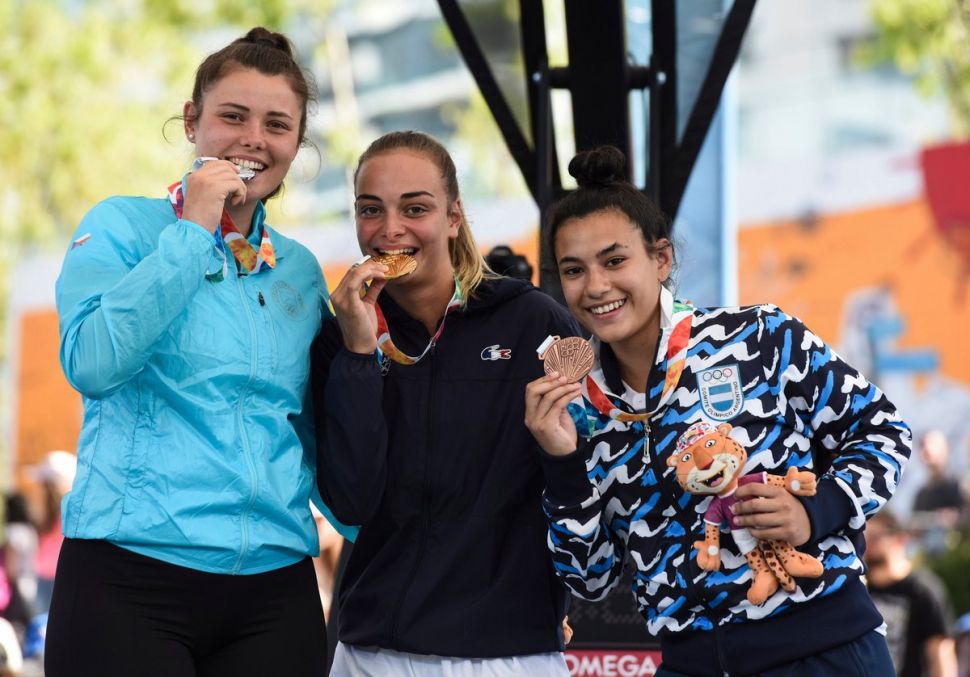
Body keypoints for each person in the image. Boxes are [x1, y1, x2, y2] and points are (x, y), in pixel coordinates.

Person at [524, 146, 912, 676]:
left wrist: (815, 511)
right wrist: (561, 462)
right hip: (692, 663)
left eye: (615, 261)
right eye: (574, 270)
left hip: (823, 650)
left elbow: (884, 430)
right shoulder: (575, 405)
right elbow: (590, 579)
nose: (595, 286)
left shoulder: (760, 336)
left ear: (661, 259)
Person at [48, 28, 329, 676]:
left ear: (296, 144)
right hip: (128, 576)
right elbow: (91, 363)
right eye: (233, 116)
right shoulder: (122, 226)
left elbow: (317, 437)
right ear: (191, 121)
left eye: (277, 125)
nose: (254, 138)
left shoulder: (301, 271)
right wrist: (192, 231)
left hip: (276, 585)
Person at [312, 130, 579, 675]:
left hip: (509, 651)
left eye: (415, 208)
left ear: (454, 217)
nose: (390, 229)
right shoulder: (340, 335)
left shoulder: (532, 320)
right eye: (370, 209)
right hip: (374, 652)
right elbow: (351, 502)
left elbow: (584, 481)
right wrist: (359, 354)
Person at [865, 509, 957, 677]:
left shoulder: (923, 591)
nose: (867, 544)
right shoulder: (859, 589)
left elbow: (941, 653)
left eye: (875, 537)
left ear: (900, 539)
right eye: (864, 537)